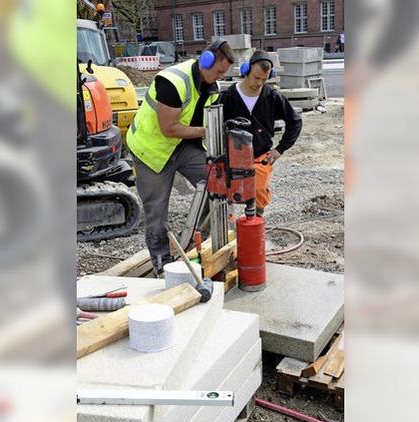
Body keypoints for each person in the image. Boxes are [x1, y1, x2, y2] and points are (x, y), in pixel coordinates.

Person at [126, 39, 234, 274]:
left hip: (182, 145)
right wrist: (208, 131)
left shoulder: (211, 87)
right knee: (156, 209)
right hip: (151, 149)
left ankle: (203, 244)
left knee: (216, 184)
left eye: (224, 73)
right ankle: (161, 262)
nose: (220, 77)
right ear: (206, 60)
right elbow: (169, 128)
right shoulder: (173, 82)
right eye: (218, 71)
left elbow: (199, 121)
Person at [219, 51, 302, 217]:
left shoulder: (272, 97)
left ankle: (256, 221)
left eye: (264, 79)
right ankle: (229, 229)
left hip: (260, 155)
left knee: (258, 191)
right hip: (233, 156)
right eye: (256, 78)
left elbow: (295, 122)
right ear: (247, 70)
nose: (259, 83)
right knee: (226, 194)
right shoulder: (228, 97)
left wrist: (280, 149)